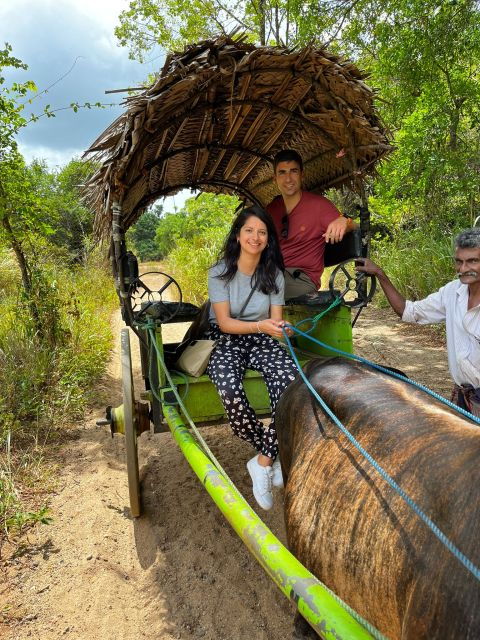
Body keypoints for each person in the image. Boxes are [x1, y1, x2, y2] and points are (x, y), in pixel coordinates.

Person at [206, 206, 298, 511]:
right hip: (228, 339)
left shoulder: (273, 275)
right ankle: (270, 452)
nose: (255, 237)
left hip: (261, 339)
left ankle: (262, 461)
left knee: (289, 382)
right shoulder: (219, 273)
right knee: (230, 392)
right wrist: (261, 325)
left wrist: (282, 330)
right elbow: (225, 324)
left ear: (268, 239)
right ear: (238, 235)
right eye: (249, 230)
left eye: (262, 232)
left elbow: (275, 323)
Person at [356, 228, 480, 416]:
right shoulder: (452, 292)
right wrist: (380, 273)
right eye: (459, 261)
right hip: (464, 398)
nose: (463, 269)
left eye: (472, 261)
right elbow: (408, 311)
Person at [266, 149, 356, 299]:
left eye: (293, 171)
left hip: (301, 280)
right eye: (282, 172)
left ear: (302, 174)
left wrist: (344, 220)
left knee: (255, 292)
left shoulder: (319, 206)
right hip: (271, 275)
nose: (288, 179)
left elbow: (355, 226)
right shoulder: (271, 209)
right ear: (275, 178)